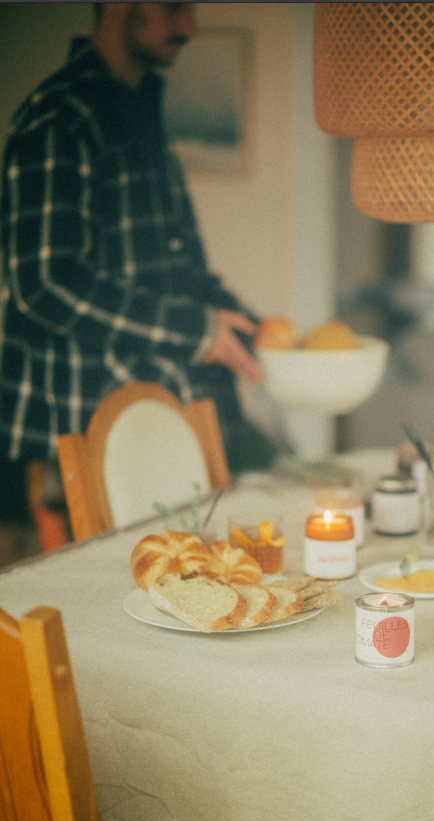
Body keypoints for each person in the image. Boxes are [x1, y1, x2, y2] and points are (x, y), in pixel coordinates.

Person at [0, 1, 277, 511]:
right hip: (89, 433)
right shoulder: (58, 120)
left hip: (168, 420)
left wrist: (260, 336)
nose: (190, 26)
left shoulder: (139, 115)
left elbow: (185, 273)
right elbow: (46, 283)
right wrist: (197, 331)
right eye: (174, 7)